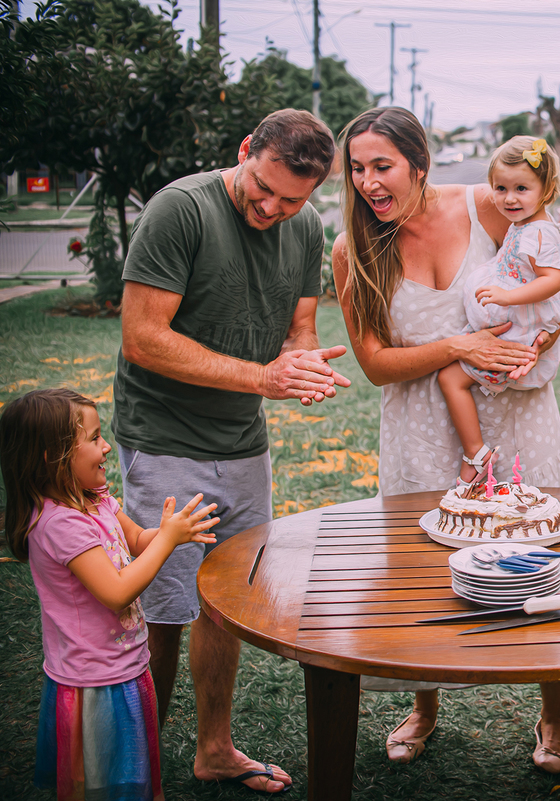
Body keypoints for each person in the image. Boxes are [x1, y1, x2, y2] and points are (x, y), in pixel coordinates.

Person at [332, 107, 560, 774]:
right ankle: (424, 704)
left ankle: (553, 716)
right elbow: (376, 364)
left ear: (419, 164)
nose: (368, 182)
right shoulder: (352, 249)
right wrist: (456, 346)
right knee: (423, 572)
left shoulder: (491, 207)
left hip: (515, 416)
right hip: (420, 428)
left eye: (382, 166)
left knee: (538, 558)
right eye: (357, 169)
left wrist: (539, 342)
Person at [112, 108, 347, 794]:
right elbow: (143, 338)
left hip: (243, 443)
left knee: (222, 602)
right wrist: (263, 378)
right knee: (163, 609)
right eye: (263, 188)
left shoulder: (305, 226)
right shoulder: (180, 209)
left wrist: (301, 364)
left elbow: (300, 326)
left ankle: (213, 748)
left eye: (291, 200)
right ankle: (141, 766)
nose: (271, 209)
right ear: (246, 150)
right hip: (164, 438)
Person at [0, 389, 220, 801]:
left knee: (136, 783)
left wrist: (170, 532)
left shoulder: (95, 500)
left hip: (126, 667)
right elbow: (116, 592)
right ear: (53, 457)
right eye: (94, 437)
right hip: (94, 684)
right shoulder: (60, 525)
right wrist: (167, 542)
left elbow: (135, 539)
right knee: (104, 789)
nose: (106, 447)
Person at [437, 135, 560, 483]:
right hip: (514, 325)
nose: (509, 198)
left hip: (516, 336)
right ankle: (477, 451)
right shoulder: (525, 225)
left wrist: (508, 297)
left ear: (547, 188)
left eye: (521, 189)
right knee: (452, 376)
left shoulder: (540, 233)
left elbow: (553, 280)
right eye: (500, 188)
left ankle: (476, 454)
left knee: (450, 379)